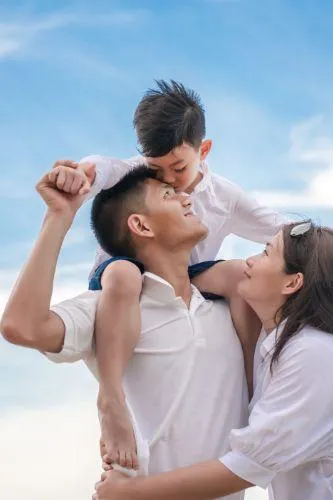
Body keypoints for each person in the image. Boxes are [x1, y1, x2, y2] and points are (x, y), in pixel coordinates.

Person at [49, 79, 288, 470]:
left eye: (178, 168)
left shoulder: (224, 196)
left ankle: (251, 390)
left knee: (237, 276)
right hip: (123, 271)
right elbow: (103, 167)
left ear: (203, 150)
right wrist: (79, 173)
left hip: (187, 276)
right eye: (157, 170)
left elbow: (273, 225)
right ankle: (110, 398)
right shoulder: (141, 173)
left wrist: (315, 239)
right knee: (126, 274)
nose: (169, 181)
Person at [92, 221, 333, 500]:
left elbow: (246, 466)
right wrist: (131, 275)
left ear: (292, 282)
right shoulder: (277, 341)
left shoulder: (314, 353)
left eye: (266, 252)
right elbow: (201, 277)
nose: (249, 260)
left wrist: (131, 492)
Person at [1, 163, 258, 500]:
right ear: (140, 224)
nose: (186, 199)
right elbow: (21, 326)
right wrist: (59, 216)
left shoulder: (228, 308)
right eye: (169, 195)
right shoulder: (110, 309)